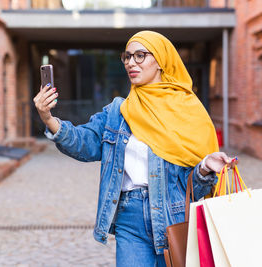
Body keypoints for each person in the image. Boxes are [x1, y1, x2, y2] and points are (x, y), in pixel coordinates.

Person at [33, 30, 237, 267]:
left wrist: (204, 168)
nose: (131, 62)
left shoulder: (189, 110)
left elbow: (195, 188)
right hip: (129, 219)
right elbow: (85, 143)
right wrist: (48, 118)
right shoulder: (118, 111)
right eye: (127, 56)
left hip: (176, 215)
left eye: (140, 55)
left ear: (160, 61)